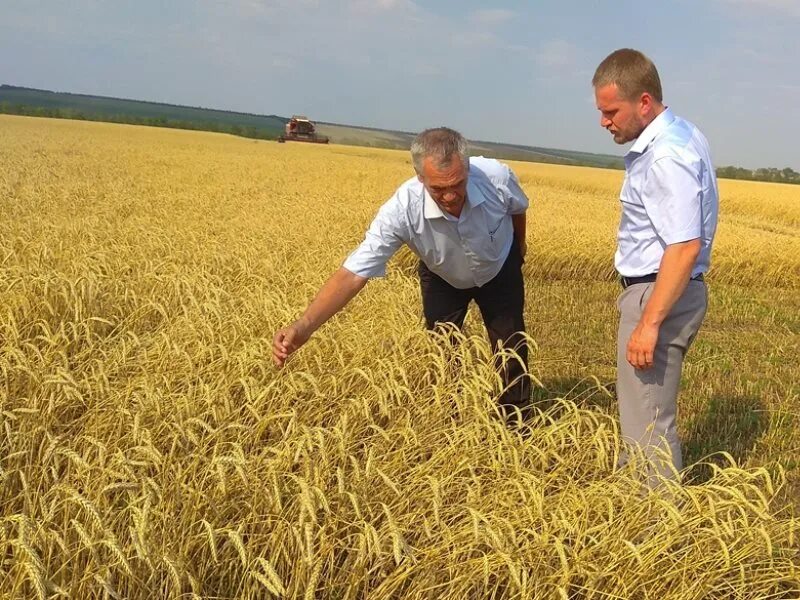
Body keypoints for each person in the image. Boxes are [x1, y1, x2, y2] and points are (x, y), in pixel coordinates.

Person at [272, 127, 531, 416]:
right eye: (437, 189)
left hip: (498, 269)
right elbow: (354, 273)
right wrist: (304, 326)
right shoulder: (401, 210)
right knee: (443, 350)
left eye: (456, 184)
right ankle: (451, 417)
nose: (449, 197)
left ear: (468, 168)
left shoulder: (497, 178)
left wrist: (518, 247)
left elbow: (517, 209)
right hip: (442, 275)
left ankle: (516, 421)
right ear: (420, 178)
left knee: (511, 348)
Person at [592, 49, 719, 481]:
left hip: (657, 292)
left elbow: (683, 246)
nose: (604, 121)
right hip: (661, 289)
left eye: (611, 111)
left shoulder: (665, 155)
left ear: (643, 102)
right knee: (640, 412)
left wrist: (649, 323)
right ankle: (634, 503)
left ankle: (657, 529)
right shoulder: (684, 134)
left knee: (648, 421)